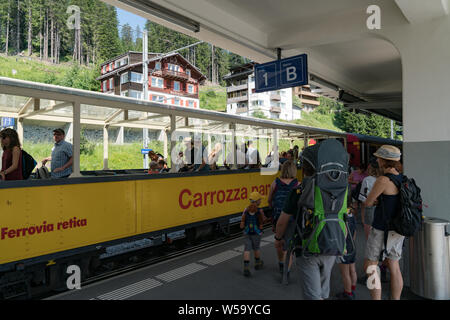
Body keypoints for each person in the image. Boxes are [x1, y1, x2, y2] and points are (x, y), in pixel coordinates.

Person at [274, 154, 335, 300]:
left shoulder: (298, 190)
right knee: (323, 290)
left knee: (312, 294)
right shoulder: (335, 189)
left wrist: (278, 238)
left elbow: (282, 221)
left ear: (304, 170)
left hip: (307, 246)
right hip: (331, 244)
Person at [363, 145, 404, 300]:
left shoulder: (383, 179)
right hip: (397, 229)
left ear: (383, 160)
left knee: (370, 266)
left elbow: (368, 202)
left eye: (378, 158)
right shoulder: (401, 178)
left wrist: (375, 201)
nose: (377, 160)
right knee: (394, 266)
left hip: (382, 229)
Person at [267, 160, 299, 274]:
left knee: (279, 241)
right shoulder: (297, 184)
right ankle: (287, 270)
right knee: (289, 244)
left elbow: (269, 201)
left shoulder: (275, 183)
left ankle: (281, 263)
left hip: (278, 218)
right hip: (292, 218)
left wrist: (274, 208)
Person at [240, 191, 265, 277]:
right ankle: (257, 263)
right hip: (256, 233)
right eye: (260, 199)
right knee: (256, 248)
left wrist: (242, 226)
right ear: (257, 201)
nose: (261, 201)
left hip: (247, 232)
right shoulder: (260, 210)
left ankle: (246, 268)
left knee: (247, 249)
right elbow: (263, 220)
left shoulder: (246, 209)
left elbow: (242, 219)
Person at [335, 205, 357, 300]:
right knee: (352, 270)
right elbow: (355, 232)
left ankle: (348, 293)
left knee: (345, 273)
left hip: (344, 249)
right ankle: (352, 288)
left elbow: (344, 233)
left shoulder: (342, 217)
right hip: (352, 247)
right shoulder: (351, 215)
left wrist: (341, 247)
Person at [359, 159, 380, 240]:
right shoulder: (385, 179)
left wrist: (363, 219)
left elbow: (363, 200)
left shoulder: (367, 180)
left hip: (370, 210)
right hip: (383, 210)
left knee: (371, 239)